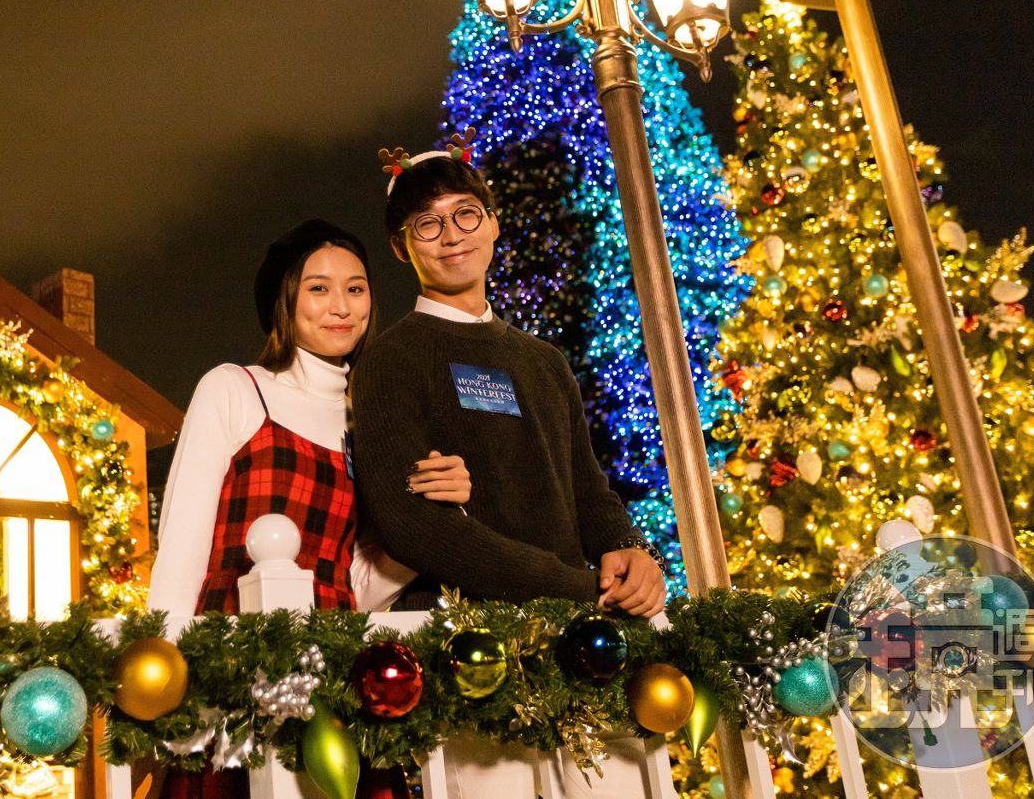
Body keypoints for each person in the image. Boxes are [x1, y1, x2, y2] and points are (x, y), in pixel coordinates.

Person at [351, 137, 666, 616]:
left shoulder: (545, 361)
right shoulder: (390, 359)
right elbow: (412, 525)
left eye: (466, 214)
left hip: (576, 627)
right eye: (427, 224)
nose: (452, 236)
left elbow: (587, 491)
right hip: (458, 629)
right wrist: (576, 590)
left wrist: (632, 549)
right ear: (401, 247)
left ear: (493, 223)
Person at [149, 219, 472, 617]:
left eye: (355, 289)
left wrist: (437, 514)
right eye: (319, 288)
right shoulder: (236, 389)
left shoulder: (370, 424)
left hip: (332, 645)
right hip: (230, 637)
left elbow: (357, 588)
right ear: (283, 300)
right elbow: (182, 548)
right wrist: (164, 646)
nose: (342, 307)